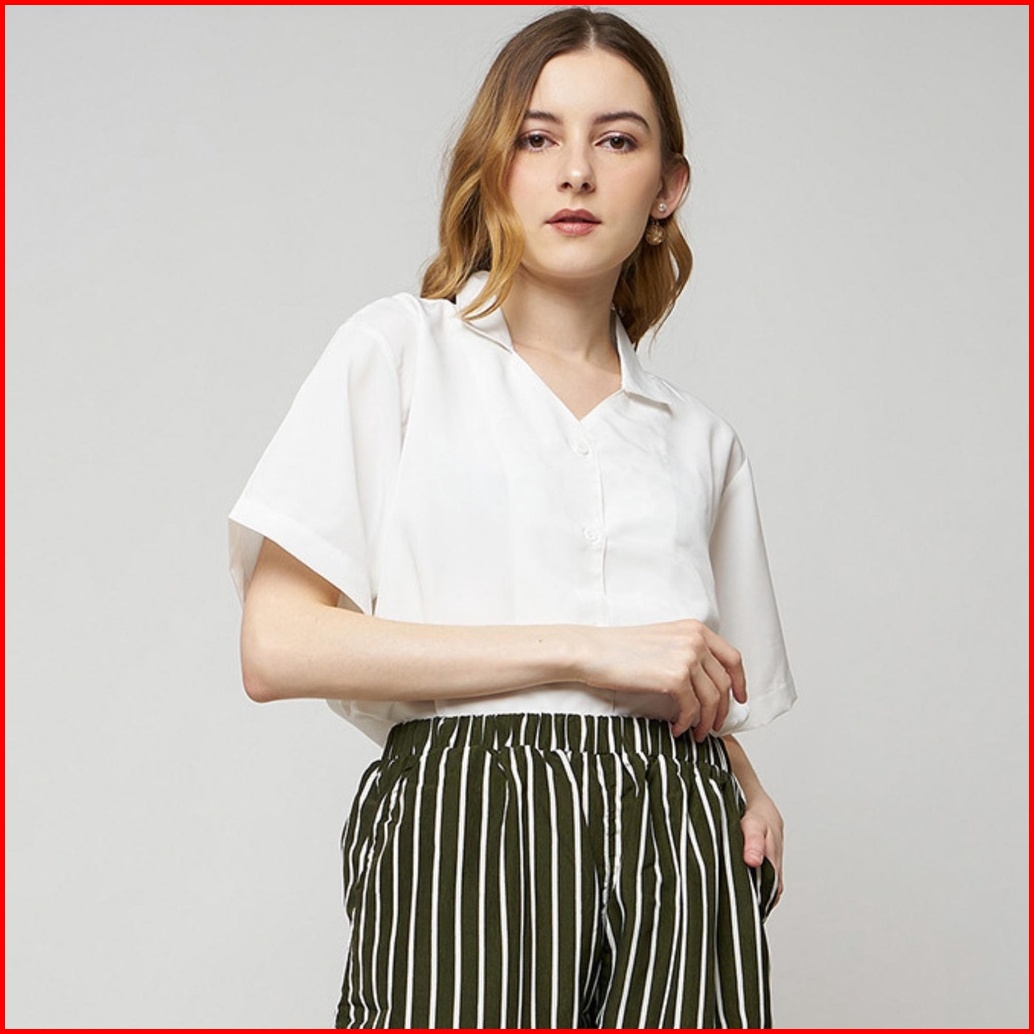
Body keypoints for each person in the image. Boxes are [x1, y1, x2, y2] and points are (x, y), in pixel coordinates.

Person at [228, 7, 796, 1029]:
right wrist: (584, 647)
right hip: (470, 815)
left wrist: (740, 778)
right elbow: (275, 646)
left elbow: (697, 673)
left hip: (679, 831)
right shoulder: (402, 354)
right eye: (537, 138)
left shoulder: (698, 440)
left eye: (615, 140)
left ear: (666, 187)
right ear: (494, 166)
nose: (575, 172)